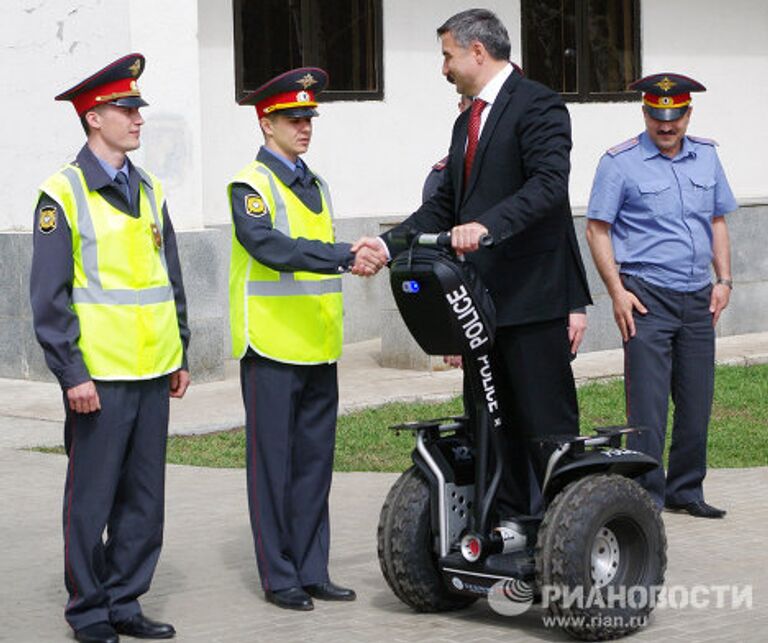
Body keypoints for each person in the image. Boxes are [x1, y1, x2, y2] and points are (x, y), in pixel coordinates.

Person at [378, 9, 592, 521]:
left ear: (478, 51)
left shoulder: (539, 105)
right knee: (491, 425)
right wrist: (388, 245)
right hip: (480, 307)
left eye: (447, 56)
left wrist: (486, 226)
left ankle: (567, 532)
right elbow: (445, 203)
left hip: (532, 300)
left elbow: (546, 185)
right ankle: (504, 530)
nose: (443, 68)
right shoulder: (466, 121)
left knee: (546, 426)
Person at [30, 54, 190, 643]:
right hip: (97, 380)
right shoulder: (61, 193)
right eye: (127, 109)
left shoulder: (148, 188)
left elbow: (168, 277)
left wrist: (180, 353)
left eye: (137, 108)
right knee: (91, 502)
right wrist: (71, 372)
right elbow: (49, 299)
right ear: (94, 117)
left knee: (144, 502)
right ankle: (90, 612)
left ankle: (126, 601)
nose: (138, 118)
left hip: (152, 371)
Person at [229, 67, 385, 611]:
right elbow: (271, 248)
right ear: (265, 123)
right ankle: (280, 577)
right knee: (273, 467)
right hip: (271, 347)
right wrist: (346, 255)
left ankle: (312, 568)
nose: (305, 126)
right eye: (293, 119)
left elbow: (316, 258)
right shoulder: (250, 185)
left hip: (318, 345)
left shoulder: (315, 184)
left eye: (309, 118)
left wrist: (356, 259)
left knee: (316, 465)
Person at [586, 73, 736, 519]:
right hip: (645, 297)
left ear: (688, 114)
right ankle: (644, 500)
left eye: (674, 118)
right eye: (657, 118)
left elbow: (717, 221)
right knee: (648, 409)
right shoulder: (619, 162)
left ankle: (686, 491)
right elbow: (597, 229)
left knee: (696, 403)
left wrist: (724, 281)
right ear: (645, 113)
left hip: (697, 297)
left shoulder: (707, 157)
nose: (665, 127)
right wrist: (617, 292)